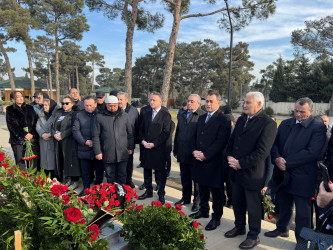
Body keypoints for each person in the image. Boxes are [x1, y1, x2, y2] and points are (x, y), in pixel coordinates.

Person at [265, 97, 326, 241]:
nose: (298, 114)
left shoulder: (318, 127)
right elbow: (274, 145)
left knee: (303, 214)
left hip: (303, 177)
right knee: (283, 205)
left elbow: (312, 152)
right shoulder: (286, 123)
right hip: (283, 174)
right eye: (296, 111)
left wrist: (286, 162)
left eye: (302, 112)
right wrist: (276, 158)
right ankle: (282, 229)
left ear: (311, 111)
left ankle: (303, 242)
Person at [224, 92, 277, 249]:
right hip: (236, 170)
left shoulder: (268, 124)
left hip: (252, 173)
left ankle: (253, 236)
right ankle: (239, 226)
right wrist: (229, 158)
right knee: (237, 202)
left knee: (253, 207)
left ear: (259, 104)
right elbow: (232, 142)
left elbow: (262, 152)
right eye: (244, 102)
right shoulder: (241, 120)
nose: (244, 105)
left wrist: (240, 163)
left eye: (248, 102)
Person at [189, 91, 231, 231]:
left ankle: (216, 216)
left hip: (214, 162)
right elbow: (195, 137)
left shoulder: (223, 119)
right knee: (202, 188)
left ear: (218, 103)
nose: (208, 104)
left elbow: (221, 141)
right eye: (206, 101)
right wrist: (195, 150)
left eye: (211, 101)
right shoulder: (201, 118)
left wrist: (205, 155)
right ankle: (203, 210)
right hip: (200, 160)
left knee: (216, 192)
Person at [173, 94, 205, 212]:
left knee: (196, 180)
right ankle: (185, 198)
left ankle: (197, 202)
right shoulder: (182, 115)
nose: (189, 103)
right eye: (188, 101)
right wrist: (175, 149)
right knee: (185, 178)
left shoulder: (202, 115)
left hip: (194, 154)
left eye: (192, 101)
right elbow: (178, 133)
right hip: (182, 152)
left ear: (198, 103)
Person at [138, 92, 171, 204]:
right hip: (146, 148)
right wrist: (142, 141)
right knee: (147, 171)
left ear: (160, 102)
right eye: (150, 100)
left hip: (159, 149)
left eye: (154, 100)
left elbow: (166, 133)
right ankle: (148, 190)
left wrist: (154, 144)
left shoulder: (165, 115)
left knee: (160, 174)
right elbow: (140, 130)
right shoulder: (146, 114)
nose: (151, 102)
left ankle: (161, 194)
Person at [93, 95, 134, 185]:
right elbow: (95, 136)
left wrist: (130, 147)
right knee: (110, 176)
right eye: (110, 106)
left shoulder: (124, 116)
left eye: (115, 106)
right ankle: (112, 196)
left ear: (118, 104)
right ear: (106, 105)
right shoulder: (99, 117)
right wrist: (98, 152)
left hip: (122, 152)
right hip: (108, 153)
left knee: (122, 176)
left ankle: (122, 196)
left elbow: (130, 133)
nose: (112, 108)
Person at [73, 96, 104, 196]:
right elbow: (75, 130)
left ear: (95, 104)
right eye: (86, 105)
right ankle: (86, 189)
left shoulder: (101, 114)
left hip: (97, 148)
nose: (88, 107)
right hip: (84, 148)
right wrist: (85, 141)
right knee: (85, 171)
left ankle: (98, 190)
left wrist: (96, 143)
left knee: (99, 171)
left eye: (91, 105)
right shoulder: (79, 115)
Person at [52, 95, 81, 187]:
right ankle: (65, 178)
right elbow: (52, 126)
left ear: (72, 104)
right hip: (58, 141)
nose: (64, 105)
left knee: (70, 160)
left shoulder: (75, 113)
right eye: (63, 103)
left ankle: (73, 180)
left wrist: (62, 135)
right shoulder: (59, 112)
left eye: (67, 103)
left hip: (69, 141)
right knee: (61, 159)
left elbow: (74, 127)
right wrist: (54, 134)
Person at [6, 91, 39, 170]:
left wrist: (31, 134)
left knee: (32, 163)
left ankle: (33, 179)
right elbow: (12, 125)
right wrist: (24, 134)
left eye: (22, 96)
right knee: (20, 163)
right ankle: (23, 180)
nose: (21, 98)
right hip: (18, 140)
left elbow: (35, 122)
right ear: (13, 99)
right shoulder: (10, 109)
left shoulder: (30, 108)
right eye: (18, 96)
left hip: (31, 139)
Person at [117, 92, 139, 188]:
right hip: (117, 141)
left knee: (129, 163)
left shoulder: (134, 111)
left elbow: (137, 126)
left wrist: (134, 142)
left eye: (121, 99)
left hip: (129, 141)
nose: (119, 101)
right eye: (118, 99)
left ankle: (128, 180)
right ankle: (119, 181)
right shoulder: (114, 109)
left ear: (126, 100)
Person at [36, 98, 58, 177]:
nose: (44, 107)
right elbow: (37, 126)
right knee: (44, 159)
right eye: (43, 105)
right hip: (43, 141)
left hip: (52, 140)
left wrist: (50, 134)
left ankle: (54, 176)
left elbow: (58, 127)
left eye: (46, 105)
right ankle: (45, 175)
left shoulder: (56, 115)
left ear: (51, 106)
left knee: (53, 160)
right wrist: (42, 134)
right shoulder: (41, 114)